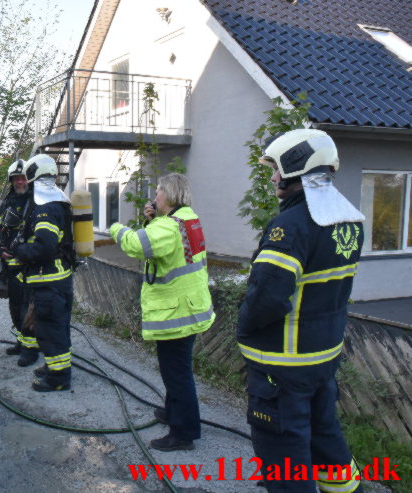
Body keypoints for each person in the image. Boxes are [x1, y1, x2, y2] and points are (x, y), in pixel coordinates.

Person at [237, 129, 365, 493]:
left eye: (277, 169)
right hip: (323, 358)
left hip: (285, 363)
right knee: (325, 436)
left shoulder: (290, 226)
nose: (274, 177)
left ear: (296, 166)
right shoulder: (350, 220)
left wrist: (244, 330)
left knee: (284, 455)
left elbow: (268, 297)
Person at [110, 173, 214, 452]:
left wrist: (116, 228)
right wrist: (153, 219)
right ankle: (172, 413)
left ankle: (183, 433)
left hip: (177, 312)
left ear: (169, 195)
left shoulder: (168, 227)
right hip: (192, 306)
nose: (154, 196)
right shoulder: (188, 219)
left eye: (158, 191)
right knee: (175, 370)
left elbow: (139, 245)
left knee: (177, 374)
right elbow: (162, 247)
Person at [8, 154, 75, 392]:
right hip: (57, 279)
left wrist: (20, 250)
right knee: (57, 327)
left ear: (34, 177)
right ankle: (54, 367)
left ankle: (59, 378)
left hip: (50, 280)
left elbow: (44, 246)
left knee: (50, 329)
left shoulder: (45, 208)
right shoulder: (58, 200)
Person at [0, 159, 37, 366]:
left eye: (23, 177)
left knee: (29, 309)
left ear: (30, 179)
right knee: (15, 307)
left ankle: (31, 349)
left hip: (32, 267)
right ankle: (21, 341)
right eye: (16, 179)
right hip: (11, 267)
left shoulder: (38, 202)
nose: (20, 182)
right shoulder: (7, 203)